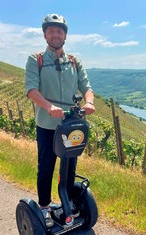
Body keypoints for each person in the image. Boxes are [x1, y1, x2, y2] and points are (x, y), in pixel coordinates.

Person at [24, 13, 95, 227]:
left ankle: (69, 203)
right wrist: (49, 106)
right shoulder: (35, 59)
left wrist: (89, 102)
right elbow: (31, 89)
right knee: (46, 166)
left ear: (65, 35)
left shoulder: (74, 61)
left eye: (59, 31)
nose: (56, 34)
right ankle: (45, 207)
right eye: (51, 31)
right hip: (47, 124)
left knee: (70, 166)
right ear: (45, 34)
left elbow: (87, 87)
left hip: (70, 124)